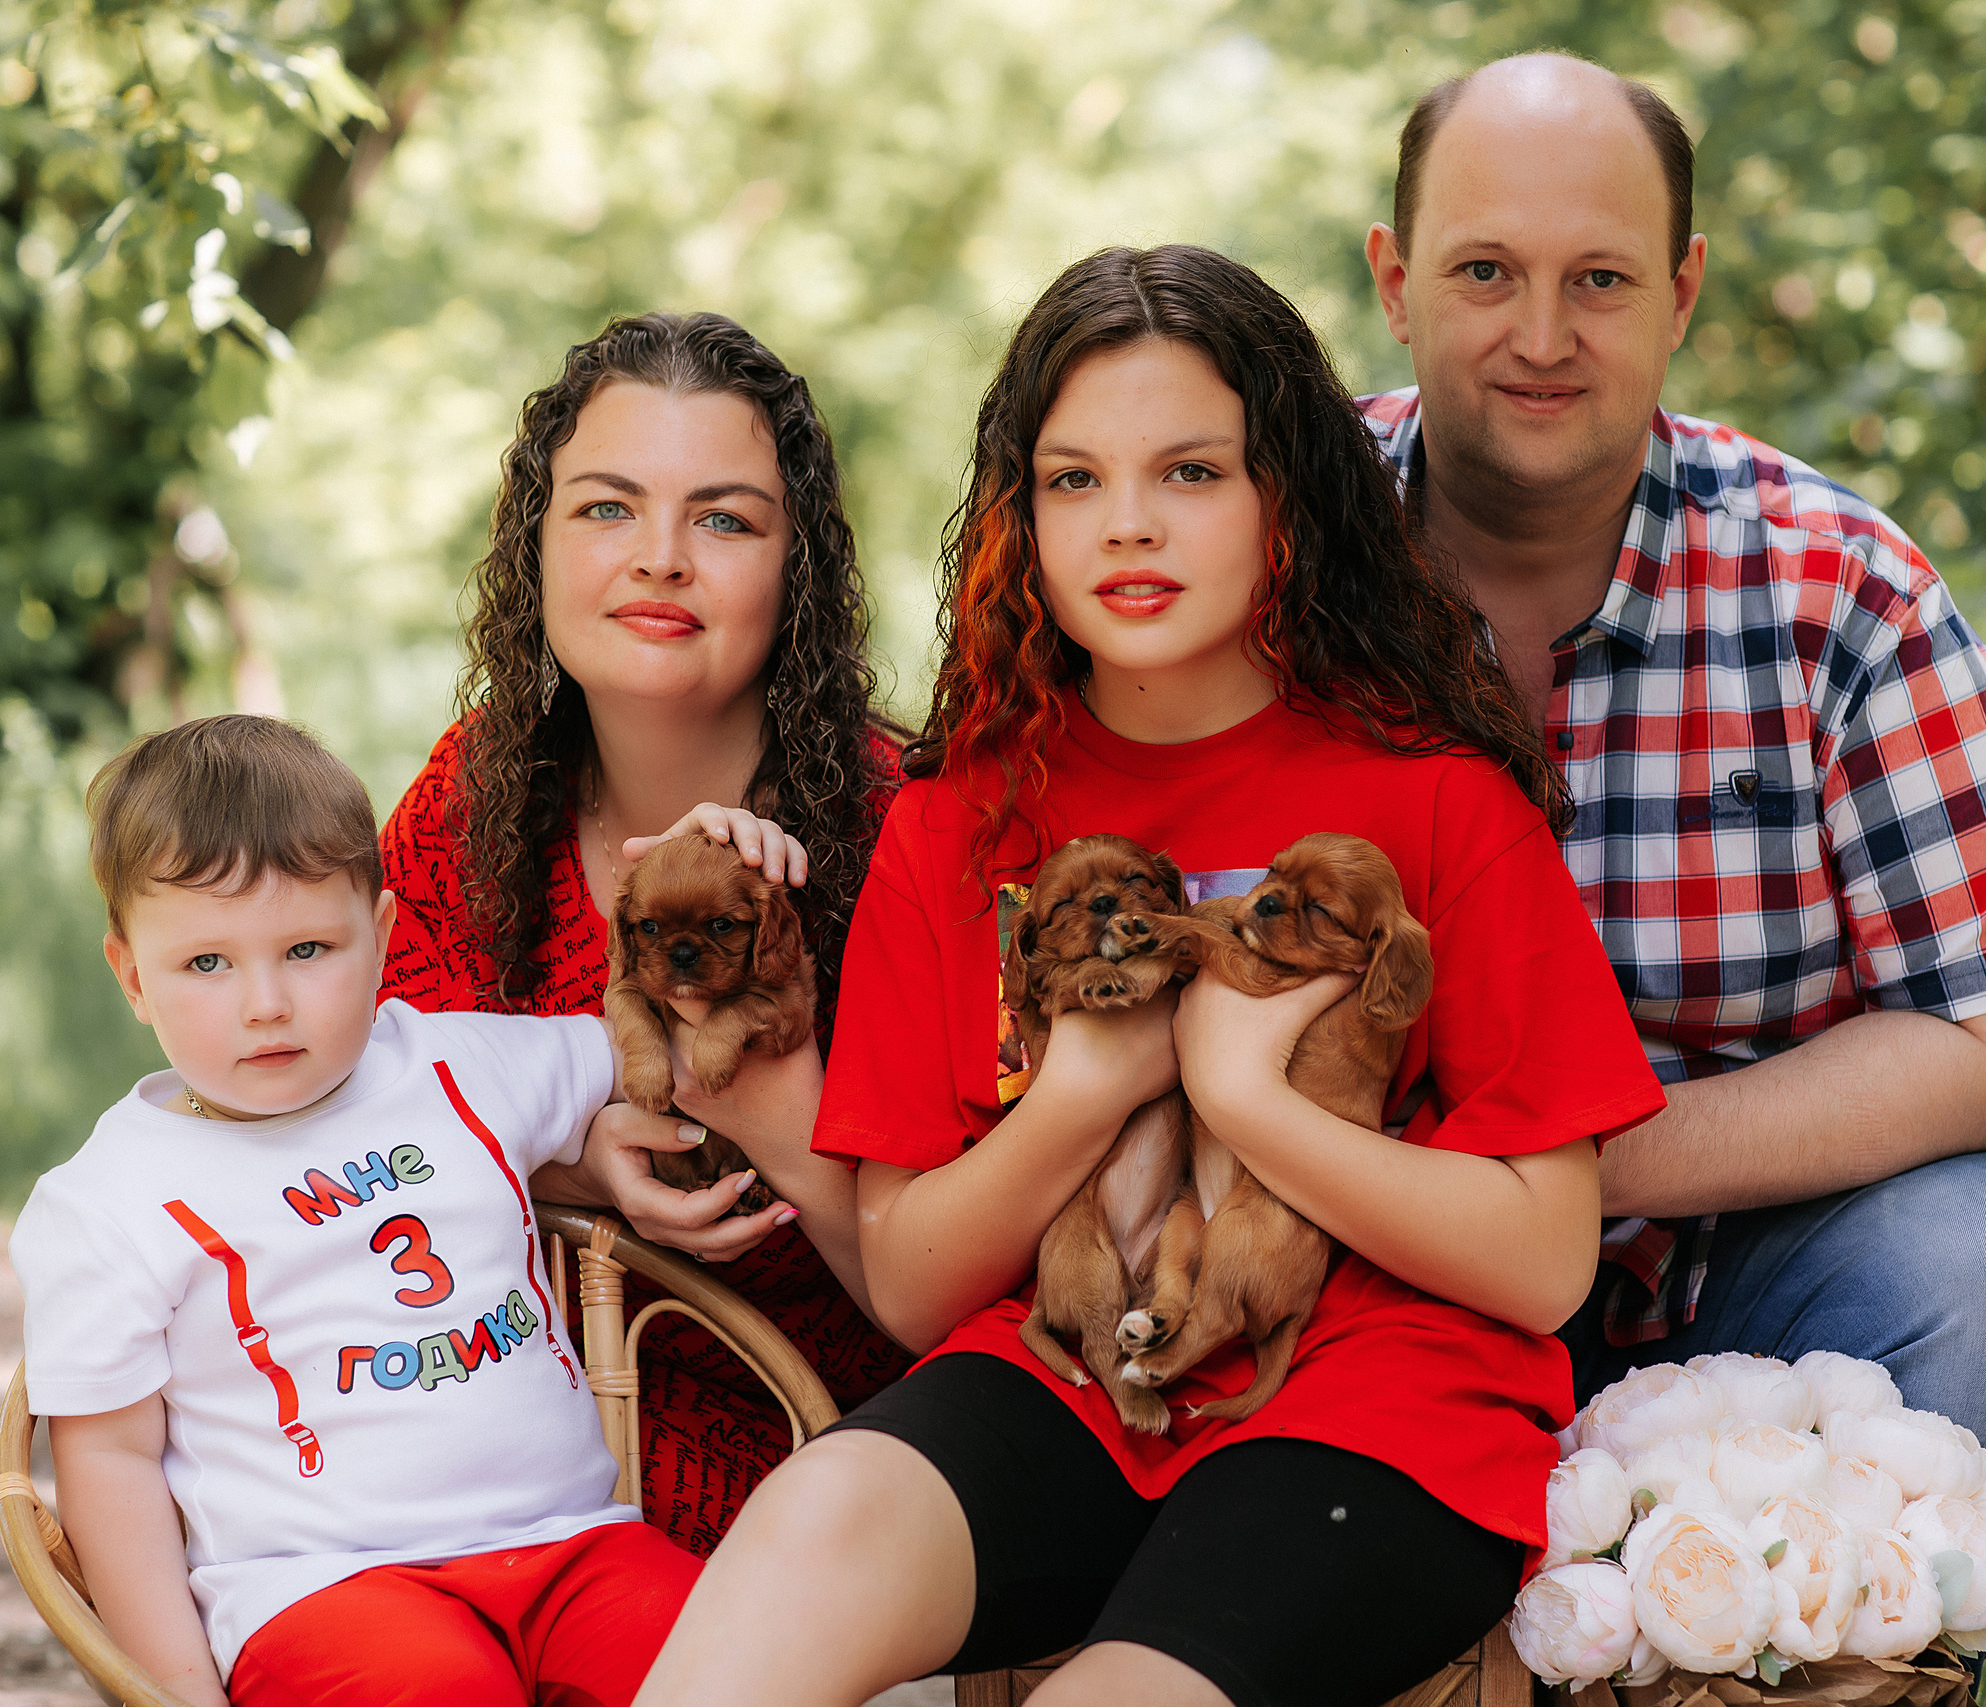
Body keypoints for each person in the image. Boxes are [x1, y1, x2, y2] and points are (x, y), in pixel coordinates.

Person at [637, 244, 1670, 1707]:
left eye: (1190, 473)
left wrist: (1241, 1094)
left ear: (1285, 501)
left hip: (1376, 1405)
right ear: (1021, 517)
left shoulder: (1435, 797)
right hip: (1067, 1370)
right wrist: (1086, 1090)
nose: (1129, 525)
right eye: (1074, 480)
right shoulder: (957, 819)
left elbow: (1545, 1253)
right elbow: (924, 1283)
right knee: (813, 1521)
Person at [1358, 52, 1986, 1550]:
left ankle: (1789, 1642)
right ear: (1395, 278)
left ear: (1684, 289)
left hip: (1746, 1295)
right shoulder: (1267, 547)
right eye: (1483, 270)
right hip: (1354, 1276)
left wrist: (1569, 1167)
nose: (1540, 335)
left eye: (1599, 277)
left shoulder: (1834, 586)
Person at [8, 715, 701, 1707]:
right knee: (435, 1693)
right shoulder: (112, 1198)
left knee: (739, 1656)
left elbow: (655, 1043)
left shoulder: (458, 1064)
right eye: (207, 964)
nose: (265, 1003)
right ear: (132, 979)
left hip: (572, 1544)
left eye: (306, 948)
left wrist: (721, 856)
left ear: (377, 938)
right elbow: (109, 1462)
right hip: (322, 1587)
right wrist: (173, 1687)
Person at [376, 310, 910, 1554]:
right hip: (485, 1427)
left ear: (797, 569)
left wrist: (766, 1094)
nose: (660, 557)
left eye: (723, 519)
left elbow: (971, 1287)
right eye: (607, 508)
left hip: (824, 1460)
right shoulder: (474, 798)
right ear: (537, 544)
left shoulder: (899, 827)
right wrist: (575, 1162)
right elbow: (355, 1109)